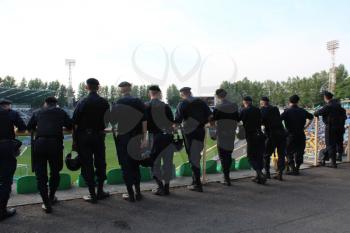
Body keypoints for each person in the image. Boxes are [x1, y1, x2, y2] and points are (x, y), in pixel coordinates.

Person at [27, 97, 73, 213]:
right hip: (55, 144)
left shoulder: (38, 112)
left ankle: (46, 203)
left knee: (41, 175)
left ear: (45, 103)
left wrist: (39, 127)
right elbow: (69, 125)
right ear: (56, 104)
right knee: (55, 172)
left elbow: (29, 127)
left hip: (40, 143)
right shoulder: (61, 112)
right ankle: (51, 197)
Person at [73, 78, 110, 203]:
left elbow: (74, 122)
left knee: (87, 164)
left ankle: (92, 194)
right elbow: (107, 122)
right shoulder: (104, 102)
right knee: (100, 163)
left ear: (86, 87)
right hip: (99, 136)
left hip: (84, 137)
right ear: (98, 87)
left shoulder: (82, 102)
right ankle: (100, 191)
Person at [109, 81, 147, 202]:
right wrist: (145, 137)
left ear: (121, 90)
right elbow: (144, 121)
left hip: (124, 137)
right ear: (130, 88)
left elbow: (113, 121)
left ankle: (130, 194)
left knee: (126, 166)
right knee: (135, 164)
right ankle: (138, 192)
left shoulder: (118, 102)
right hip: (137, 136)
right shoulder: (138, 101)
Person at [175, 87, 212, 192]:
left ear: (183, 94)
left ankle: (197, 184)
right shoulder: (201, 102)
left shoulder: (182, 104)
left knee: (193, 157)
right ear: (190, 92)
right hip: (200, 131)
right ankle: (195, 180)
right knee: (196, 156)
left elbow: (177, 120)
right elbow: (210, 116)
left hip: (189, 132)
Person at [145, 85, 175, 195]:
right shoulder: (166, 106)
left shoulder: (146, 106)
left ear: (150, 93)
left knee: (154, 163)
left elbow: (144, 124)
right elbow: (172, 123)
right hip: (167, 136)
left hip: (154, 137)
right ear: (159, 93)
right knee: (168, 163)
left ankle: (160, 186)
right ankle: (166, 187)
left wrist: (143, 139)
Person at [0, 99, 26, 221]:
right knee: (6, 180)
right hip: (5, 148)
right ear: (7, 106)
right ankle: (2, 211)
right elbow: (22, 127)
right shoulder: (10, 113)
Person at [212, 89, 239, 186]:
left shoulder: (218, 107)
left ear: (218, 96)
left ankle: (226, 178)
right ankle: (227, 176)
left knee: (223, 156)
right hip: (231, 133)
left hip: (222, 134)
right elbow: (237, 118)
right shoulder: (234, 105)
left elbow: (213, 120)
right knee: (228, 155)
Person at [281, 95, 313, 175]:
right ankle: (297, 168)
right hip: (300, 134)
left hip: (290, 135)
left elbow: (278, 120)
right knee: (300, 151)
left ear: (289, 102)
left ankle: (293, 168)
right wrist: (306, 126)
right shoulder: (302, 110)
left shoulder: (287, 111)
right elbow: (311, 117)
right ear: (298, 101)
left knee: (288, 152)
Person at [314, 91, 347, 168]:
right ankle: (339, 156)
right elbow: (344, 117)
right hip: (340, 127)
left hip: (331, 128)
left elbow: (317, 113)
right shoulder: (340, 107)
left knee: (330, 145)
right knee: (339, 142)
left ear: (325, 98)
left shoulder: (328, 106)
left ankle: (333, 163)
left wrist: (317, 115)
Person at [239, 96, 266, 184]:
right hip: (260, 134)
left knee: (250, 157)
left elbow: (238, 120)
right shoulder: (258, 109)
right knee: (259, 156)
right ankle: (258, 176)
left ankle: (259, 173)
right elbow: (262, 120)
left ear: (244, 102)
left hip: (251, 136)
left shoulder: (244, 110)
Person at [260, 96, 287, 181]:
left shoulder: (263, 110)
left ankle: (267, 173)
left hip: (271, 135)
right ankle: (279, 173)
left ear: (262, 102)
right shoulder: (275, 109)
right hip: (282, 134)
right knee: (281, 155)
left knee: (266, 154)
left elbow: (261, 121)